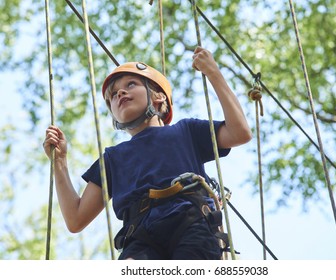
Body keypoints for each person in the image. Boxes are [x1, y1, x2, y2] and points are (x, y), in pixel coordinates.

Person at [43, 46, 252, 260]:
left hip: (190, 222)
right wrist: (59, 162)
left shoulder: (186, 131)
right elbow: (76, 219)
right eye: (113, 95)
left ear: (159, 98)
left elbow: (240, 132)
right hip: (140, 237)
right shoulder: (113, 158)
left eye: (130, 84)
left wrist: (213, 73)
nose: (120, 93)